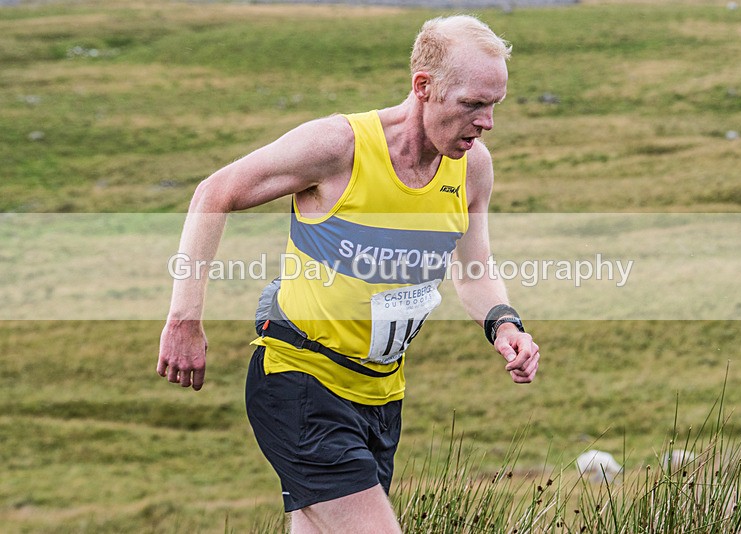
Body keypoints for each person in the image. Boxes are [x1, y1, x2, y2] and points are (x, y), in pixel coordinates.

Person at [157, 14, 540, 533]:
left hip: (381, 398)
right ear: (423, 87)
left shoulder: (471, 167)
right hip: (300, 382)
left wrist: (505, 325)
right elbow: (213, 194)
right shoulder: (340, 146)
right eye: (472, 104)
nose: (487, 121)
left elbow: (473, 269)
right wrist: (184, 318)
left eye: (495, 105)